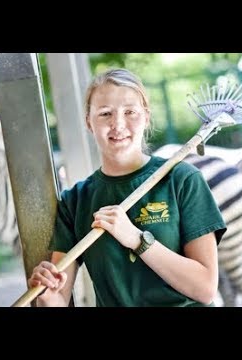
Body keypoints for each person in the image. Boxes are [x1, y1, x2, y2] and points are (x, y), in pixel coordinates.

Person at [28, 68, 226, 307]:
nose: (118, 124)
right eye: (105, 114)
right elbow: (59, 300)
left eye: (129, 112)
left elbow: (205, 288)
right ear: (88, 122)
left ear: (146, 116)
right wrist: (47, 294)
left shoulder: (183, 180)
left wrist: (137, 239)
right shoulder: (76, 201)